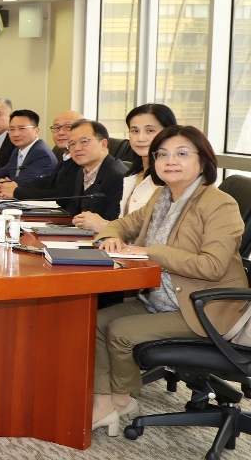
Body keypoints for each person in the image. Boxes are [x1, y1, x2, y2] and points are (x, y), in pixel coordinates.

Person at [91, 126, 248, 436]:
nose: (169, 160)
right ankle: (105, 402)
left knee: (121, 331)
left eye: (181, 153)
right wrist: (110, 236)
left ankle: (120, 399)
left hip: (204, 308)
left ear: (203, 162)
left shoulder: (219, 205)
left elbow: (213, 266)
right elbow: (123, 224)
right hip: (161, 298)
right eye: (162, 154)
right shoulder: (162, 197)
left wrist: (152, 252)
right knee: (95, 322)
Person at [72, 104, 178, 233]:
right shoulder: (132, 176)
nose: (140, 138)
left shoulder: (172, 177)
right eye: (135, 131)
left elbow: (161, 233)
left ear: (168, 133)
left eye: (150, 131)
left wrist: (104, 226)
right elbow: (126, 224)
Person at [0, 110, 84, 200]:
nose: (61, 132)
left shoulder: (82, 160)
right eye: (57, 127)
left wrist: (16, 192)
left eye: (68, 127)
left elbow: (63, 195)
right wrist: (10, 187)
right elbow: (47, 184)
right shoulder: (65, 157)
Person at [49, 119, 130, 219]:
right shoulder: (82, 171)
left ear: (103, 144)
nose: (77, 148)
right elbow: (73, 209)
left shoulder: (118, 177)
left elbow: (114, 220)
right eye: (72, 144)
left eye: (84, 141)